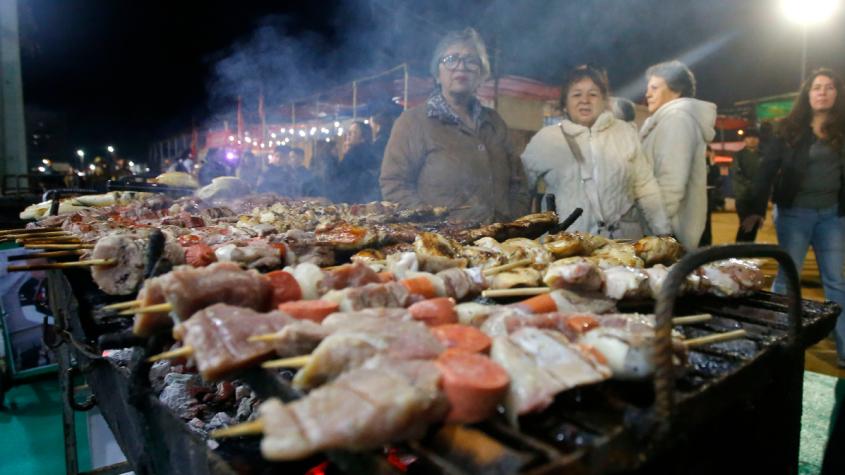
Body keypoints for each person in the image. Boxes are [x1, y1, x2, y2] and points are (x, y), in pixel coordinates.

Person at [744, 68, 845, 366]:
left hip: (832, 217)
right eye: (817, 87)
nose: (823, 92)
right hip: (794, 215)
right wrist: (754, 209)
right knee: (788, 279)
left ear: (837, 93)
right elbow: (766, 171)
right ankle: (775, 343)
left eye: (829, 87)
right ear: (807, 94)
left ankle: (844, 350)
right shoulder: (789, 129)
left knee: (836, 281)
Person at [380, 27, 530, 223]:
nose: (461, 66)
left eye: (471, 61)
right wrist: (431, 227)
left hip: (497, 244)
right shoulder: (413, 122)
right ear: (437, 73)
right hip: (440, 246)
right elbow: (394, 185)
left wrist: (511, 223)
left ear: (481, 73)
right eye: (451, 59)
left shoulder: (494, 122)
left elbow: (518, 183)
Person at [521, 64, 670, 238]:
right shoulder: (546, 139)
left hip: (621, 245)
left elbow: (645, 187)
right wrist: (517, 237)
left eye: (593, 94)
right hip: (567, 246)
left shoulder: (624, 132)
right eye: (577, 94)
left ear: (604, 100)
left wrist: (664, 232)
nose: (585, 100)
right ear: (564, 103)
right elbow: (521, 188)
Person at [640, 60, 717, 250]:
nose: (647, 94)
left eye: (655, 88)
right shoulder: (666, 121)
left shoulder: (677, 120)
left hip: (669, 231)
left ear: (676, 90)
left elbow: (671, 182)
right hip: (665, 227)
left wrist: (659, 231)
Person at [335, 120, 381, 203]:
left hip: (355, 201)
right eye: (349, 132)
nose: (348, 135)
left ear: (363, 138)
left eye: (353, 133)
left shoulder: (357, 154)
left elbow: (345, 180)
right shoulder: (365, 152)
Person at [731, 127, 763, 242]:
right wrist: (751, 187)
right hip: (744, 196)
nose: (752, 140)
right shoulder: (738, 156)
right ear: (744, 140)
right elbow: (737, 175)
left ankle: (748, 250)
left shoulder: (762, 156)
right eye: (749, 137)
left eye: (755, 137)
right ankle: (739, 250)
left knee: (754, 225)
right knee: (746, 224)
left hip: (758, 198)